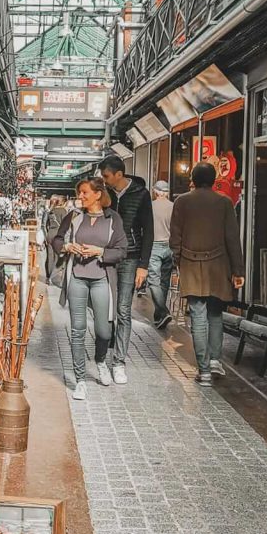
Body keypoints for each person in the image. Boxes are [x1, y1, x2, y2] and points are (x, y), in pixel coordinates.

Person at [169, 162, 245, 386]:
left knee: (198, 316)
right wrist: (237, 270)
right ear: (213, 180)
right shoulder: (224, 202)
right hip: (219, 265)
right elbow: (232, 238)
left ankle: (203, 371)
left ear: (192, 178)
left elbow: (176, 237)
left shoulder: (182, 202)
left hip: (191, 265)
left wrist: (177, 261)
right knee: (215, 313)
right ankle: (214, 360)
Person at [52, 178, 128, 402]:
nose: (81, 196)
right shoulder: (74, 216)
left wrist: (100, 252)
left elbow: (122, 250)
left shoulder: (112, 218)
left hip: (102, 277)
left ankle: (101, 360)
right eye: (80, 193)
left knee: (104, 330)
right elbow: (56, 239)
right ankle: (80, 380)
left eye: (85, 193)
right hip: (77, 277)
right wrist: (66, 246)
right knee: (77, 329)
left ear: (98, 194)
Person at [99, 156, 153, 384]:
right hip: (107, 257)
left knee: (123, 310)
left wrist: (143, 265)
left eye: (106, 176)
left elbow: (148, 230)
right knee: (104, 307)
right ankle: (103, 355)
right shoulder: (105, 194)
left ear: (119, 174)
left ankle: (119, 362)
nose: (104, 180)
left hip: (130, 258)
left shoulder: (140, 194)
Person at [148, 180, 174, 329]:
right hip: (169, 246)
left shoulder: (150, 207)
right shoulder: (174, 207)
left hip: (154, 246)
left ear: (155, 191)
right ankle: (159, 316)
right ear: (167, 192)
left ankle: (163, 312)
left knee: (153, 281)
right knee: (164, 282)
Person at [43, 196, 67, 279]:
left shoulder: (51, 211)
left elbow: (45, 225)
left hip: (50, 233)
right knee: (57, 256)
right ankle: (53, 277)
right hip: (58, 235)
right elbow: (65, 225)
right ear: (64, 203)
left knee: (49, 256)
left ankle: (48, 276)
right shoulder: (63, 211)